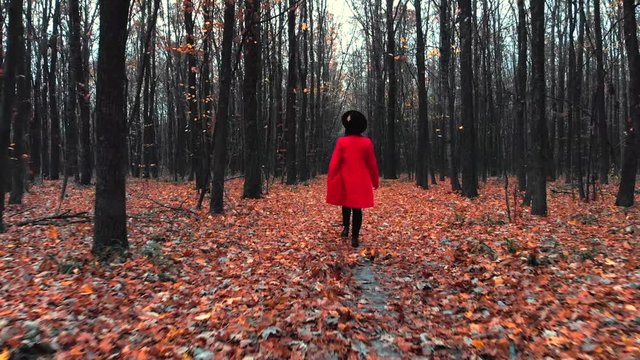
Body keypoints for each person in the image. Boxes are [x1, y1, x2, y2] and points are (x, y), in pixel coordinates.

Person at [326, 110, 379, 248]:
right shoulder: (366, 143)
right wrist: (375, 181)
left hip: (345, 179)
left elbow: (335, 163)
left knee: (346, 205)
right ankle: (355, 237)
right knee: (357, 209)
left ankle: (346, 229)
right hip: (361, 181)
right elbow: (372, 164)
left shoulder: (342, 142)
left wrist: (331, 178)